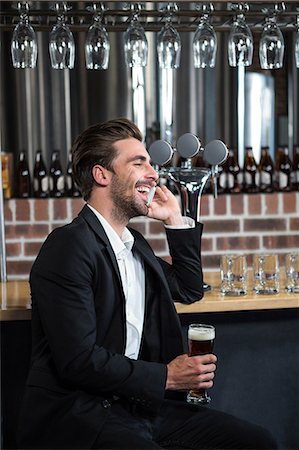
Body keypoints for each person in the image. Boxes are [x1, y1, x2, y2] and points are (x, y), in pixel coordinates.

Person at [17, 118, 277, 450]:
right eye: (138, 163)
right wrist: (167, 377)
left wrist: (174, 219)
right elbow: (77, 360)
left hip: (140, 407)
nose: (153, 173)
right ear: (102, 175)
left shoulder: (133, 244)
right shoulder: (69, 246)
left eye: (150, 163)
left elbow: (188, 288)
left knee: (257, 441)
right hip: (84, 413)